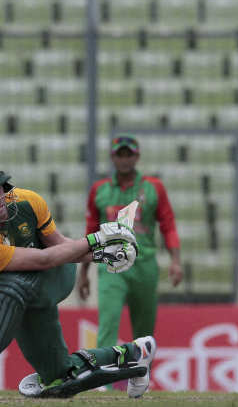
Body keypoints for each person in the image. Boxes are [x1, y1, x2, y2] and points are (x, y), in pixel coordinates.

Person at [0, 159, 155, 400]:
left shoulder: (28, 200)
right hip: (22, 294)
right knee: (58, 375)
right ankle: (136, 353)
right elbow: (41, 259)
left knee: (7, 283)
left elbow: (59, 247)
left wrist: (101, 253)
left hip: (56, 275)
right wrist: (97, 241)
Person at [77, 134, 182, 387]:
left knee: (144, 331)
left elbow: (168, 224)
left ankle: (140, 380)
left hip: (145, 265)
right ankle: (103, 384)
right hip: (110, 266)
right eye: (120, 155)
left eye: (129, 154)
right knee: (108, 324)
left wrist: (176, 261)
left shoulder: (153, 187)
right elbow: (91, 233)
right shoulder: (100, 189)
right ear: (113, 157)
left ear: (137, 156)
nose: (124, 159)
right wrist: (83, 273)